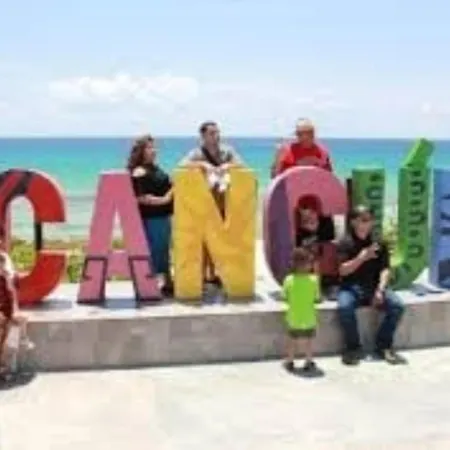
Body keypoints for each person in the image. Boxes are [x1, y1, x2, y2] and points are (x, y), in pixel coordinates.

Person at [337, 205, 405, 366]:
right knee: (345, 307)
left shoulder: (379, 242)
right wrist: (362, 258)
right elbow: (342, 271)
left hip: (374, 286)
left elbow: (385, 269)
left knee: (397, 306)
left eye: (369, 219)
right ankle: (353, 347)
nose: (367, 223)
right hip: (351, 287)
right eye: (363, 220)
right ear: (353, 222)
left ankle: (383, 345)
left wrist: (380, 290)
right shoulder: (345, 242)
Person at [180, 121, 244, 287]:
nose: (216, 136)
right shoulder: (197, 153)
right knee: (203, 241)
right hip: (203, 205)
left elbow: (241, 164)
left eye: (217, 132)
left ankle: (217, 274)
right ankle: (203, 275)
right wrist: (202, 164)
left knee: (221, 240)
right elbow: (182, 165)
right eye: (212, 133)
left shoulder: (227, 151)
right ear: (203, 136)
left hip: (223, 204)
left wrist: (227, 165)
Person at [128, 135, 174, 297]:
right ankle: (150, 286)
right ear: (141, 151)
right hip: (152, 218)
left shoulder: (155, 168)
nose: (153, 150)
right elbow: (141, 197)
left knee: (164, 250)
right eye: (149, 147)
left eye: (154, 147)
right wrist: (165, 199)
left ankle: (168, 283)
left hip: (163, 216)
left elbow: (166, 186)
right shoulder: (139, 171)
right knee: (155, 251)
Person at [281, 247, 321, 373]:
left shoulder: (288, 280)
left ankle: (290, 361)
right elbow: (317, 298)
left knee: (292, 340)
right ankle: (308, 362)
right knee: (308, 342)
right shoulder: (313, 280)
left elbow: (284, 297)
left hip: (293, 317)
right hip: (309, 318)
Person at [0, 253, 34, 377]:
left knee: (15, 326)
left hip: (7, 312)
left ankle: (9, 366)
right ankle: (6, 365)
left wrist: (14, 312)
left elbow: (12, 298)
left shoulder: (7, 278)